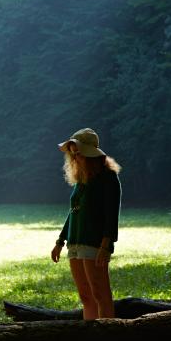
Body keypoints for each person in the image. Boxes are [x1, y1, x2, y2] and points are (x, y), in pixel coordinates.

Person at [51, 128, 122, 320]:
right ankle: (91, 339)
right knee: (85, 296)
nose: (75, 158)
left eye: (79, 153)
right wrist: (60, 241)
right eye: (72, 154)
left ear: (91, 154)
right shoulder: (82, 179)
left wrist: (106, 244)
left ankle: (108, 338)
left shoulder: (108, 177)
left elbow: (111, 213)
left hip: (94, 243)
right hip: (75, 242)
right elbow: (73, 212)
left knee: (101, 294)